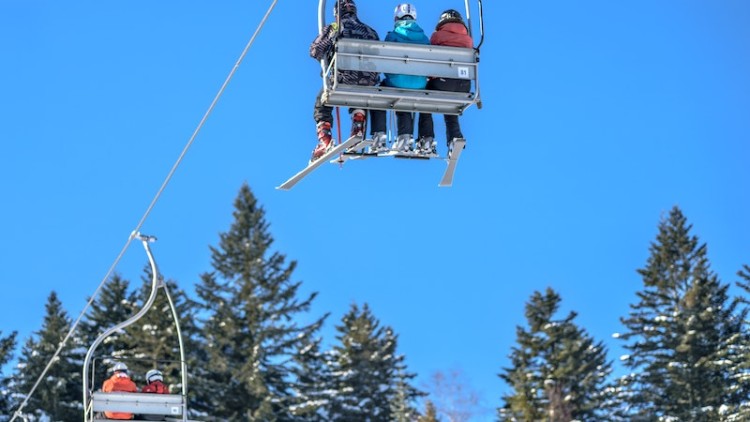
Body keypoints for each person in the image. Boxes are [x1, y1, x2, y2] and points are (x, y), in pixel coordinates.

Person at [309, 0, 387, 161]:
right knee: (359, 90)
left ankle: (325, 140)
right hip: (368, 82)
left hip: (343, 79)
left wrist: (326, 60)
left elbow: (315, 50)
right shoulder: (370, 31)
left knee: (321, 103)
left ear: (337, 12)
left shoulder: (336, 26)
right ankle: (358, 123)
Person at [417, 9, 474, 156]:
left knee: (425, 101)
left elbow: (432, 59)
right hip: (464, 85)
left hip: (443, 81)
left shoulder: (437, 36)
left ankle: (426, 138)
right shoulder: (469, 40)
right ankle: (455, 137)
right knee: (450, 106)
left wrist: (429, 76)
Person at [383, 4, 431, 153]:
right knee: (425, 98)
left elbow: (384, 60)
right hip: (420, 83)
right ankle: (427, 139)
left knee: (397, 93)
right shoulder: (424, 38)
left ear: (396, 18)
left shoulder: (392, 36)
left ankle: (404, 137)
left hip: (398, 81)